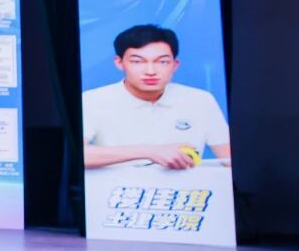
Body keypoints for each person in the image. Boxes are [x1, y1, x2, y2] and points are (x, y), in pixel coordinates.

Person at [82, 24, 230, 170]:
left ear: (175, 65)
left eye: (162, 62)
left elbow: (229, 159)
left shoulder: (200, 100)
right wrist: (150, 151)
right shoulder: (93, 99)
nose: (151, 71)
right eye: (137, 62)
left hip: (187, 186)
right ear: (119, 63)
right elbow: (77, 154)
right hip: (117, 185)